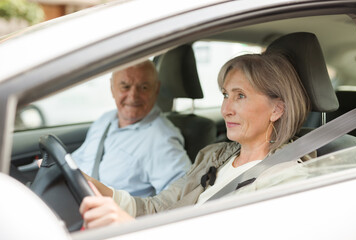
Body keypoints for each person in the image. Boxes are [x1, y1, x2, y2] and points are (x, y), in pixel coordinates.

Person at [79, 52, 314, 229]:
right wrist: (100, 190)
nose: (226, 109)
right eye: (225, 95)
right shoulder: (214, 157)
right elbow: (159, 207)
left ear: (277, 109)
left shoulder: (285, 179)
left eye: (240, 96)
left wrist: (131, 228)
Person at [71, 60, 191, 197]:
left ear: (156, 90)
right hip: (74, 197)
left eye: (144, 87)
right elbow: (79, 160)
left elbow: (182, 197)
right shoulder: (105, 120)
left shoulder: (162, 139)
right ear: (112, 88)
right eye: (125, 86)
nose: (133, 96)